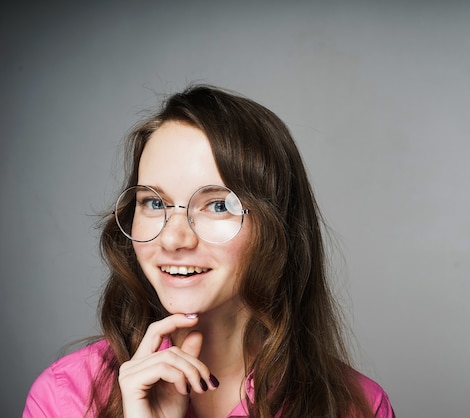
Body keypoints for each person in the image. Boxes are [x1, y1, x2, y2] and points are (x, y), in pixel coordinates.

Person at [23, 84, 395, 417]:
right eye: (153, 203)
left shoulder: (356, 406)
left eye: (217, 205)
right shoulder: (64, 398)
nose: (173, 239)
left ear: (278, 227)